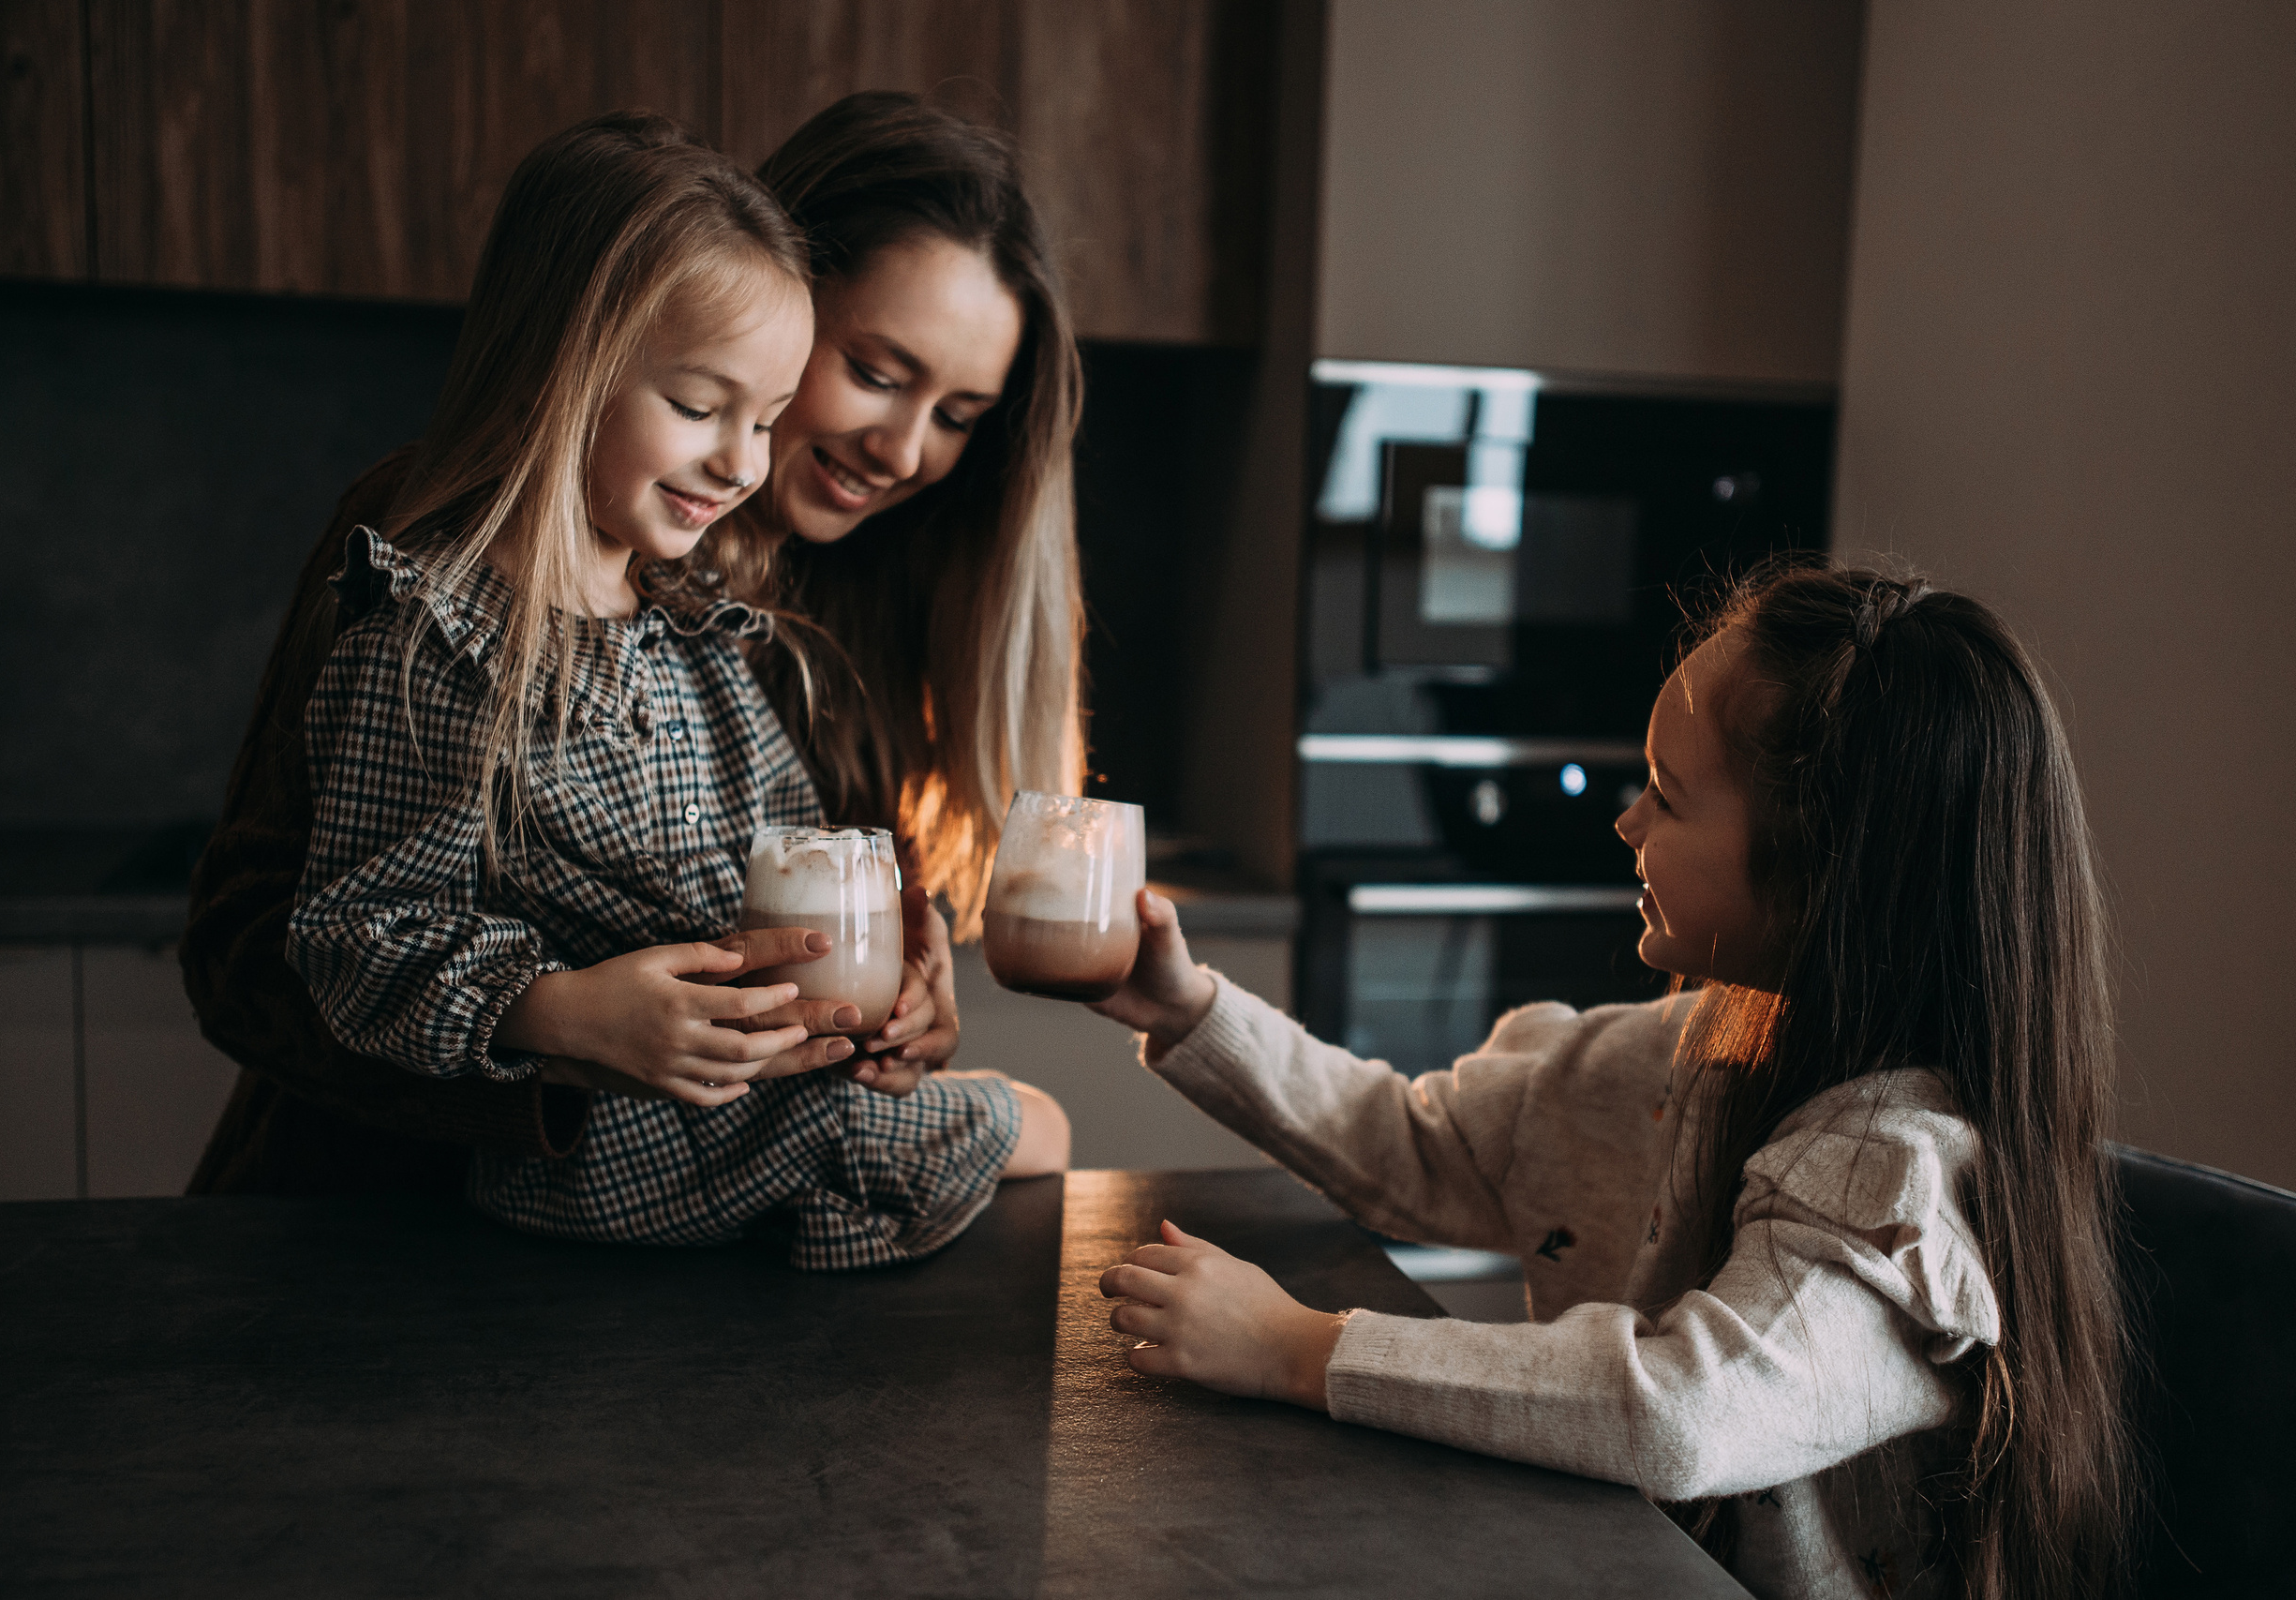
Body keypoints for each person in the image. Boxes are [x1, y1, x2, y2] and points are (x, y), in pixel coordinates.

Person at [1089, 564, 2137, 1598]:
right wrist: (1191, 1012)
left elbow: (1685, 1412)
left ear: (1824, 867)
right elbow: (1420, 1148)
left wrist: (1296, 1349)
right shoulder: (1661, 1058)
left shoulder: (1895, 1179)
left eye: (1668, 799)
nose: (1627, 823)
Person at [182, 92, 1081, 1197]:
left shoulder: (843, 606)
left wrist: (892, 1001)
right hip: (373, 1227)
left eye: (956, 415)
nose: (902, 449)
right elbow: (251, 956)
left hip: (675, 1282)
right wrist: (561, 1038)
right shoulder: (456, 560)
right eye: (878, 372)